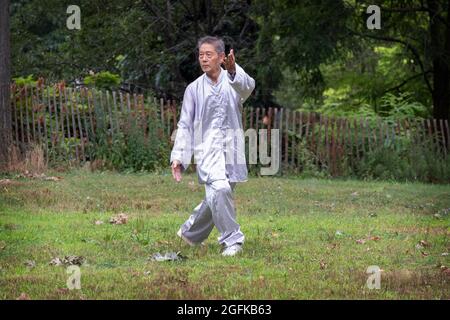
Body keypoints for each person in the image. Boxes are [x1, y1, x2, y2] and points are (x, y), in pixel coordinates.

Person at [170, 36, 255, 257]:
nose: (204, 59)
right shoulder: (193, 89)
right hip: (207, 151)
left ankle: (189, 234)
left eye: (209, 55)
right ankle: (233, 240)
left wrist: (234, 69)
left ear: (221, 57)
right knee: (220, 189)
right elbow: (185, 124)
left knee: (216, 196)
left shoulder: (234, 80)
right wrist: (179, 156)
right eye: (201, 55)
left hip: (233, 149)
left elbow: (248, 88)